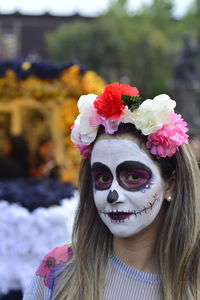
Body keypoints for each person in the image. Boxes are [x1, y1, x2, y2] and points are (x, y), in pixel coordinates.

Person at [23, 83, 200, 300]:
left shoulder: (194, 282)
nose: (112, 195)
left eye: (133, 177)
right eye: (103, 178)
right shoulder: (58, 270)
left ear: (170, 184)